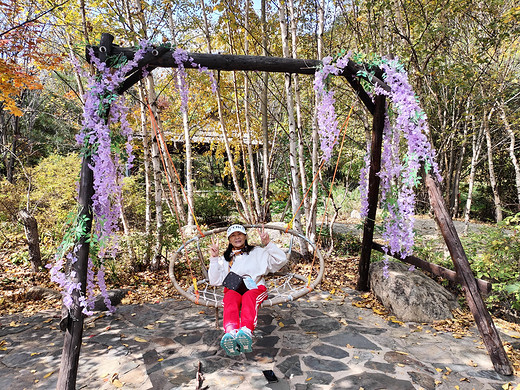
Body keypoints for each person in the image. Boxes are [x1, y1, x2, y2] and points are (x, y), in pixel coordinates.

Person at [208, 223, 287, 356]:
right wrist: (214, 258)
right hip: (235, 289)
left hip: (255, 288)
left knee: (249, 297)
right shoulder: (225, 259)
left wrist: (268, 244)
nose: (237, 237)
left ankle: (246, 331)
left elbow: (281, 260)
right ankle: (231, 333)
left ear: (245, 236)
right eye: (233, 236)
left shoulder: (258, 252)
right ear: (229, 240)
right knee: (230, 297)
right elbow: (214, 280)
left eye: (239, 234)